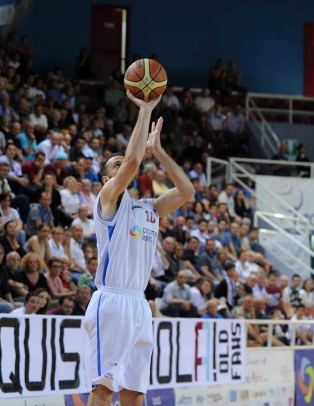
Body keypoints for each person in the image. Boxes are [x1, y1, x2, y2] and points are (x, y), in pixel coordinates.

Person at [84, 92, 194, 405]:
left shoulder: (149, 207)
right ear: (106, 178)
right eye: (115, 166)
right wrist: (145, 110)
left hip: (139, 304)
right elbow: (132, 162)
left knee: (135, 391)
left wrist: (158, 152)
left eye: (123, 163)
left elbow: (186, 191)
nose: (124, 167)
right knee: (104, 388)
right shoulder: (107, 200)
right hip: (112, 300)